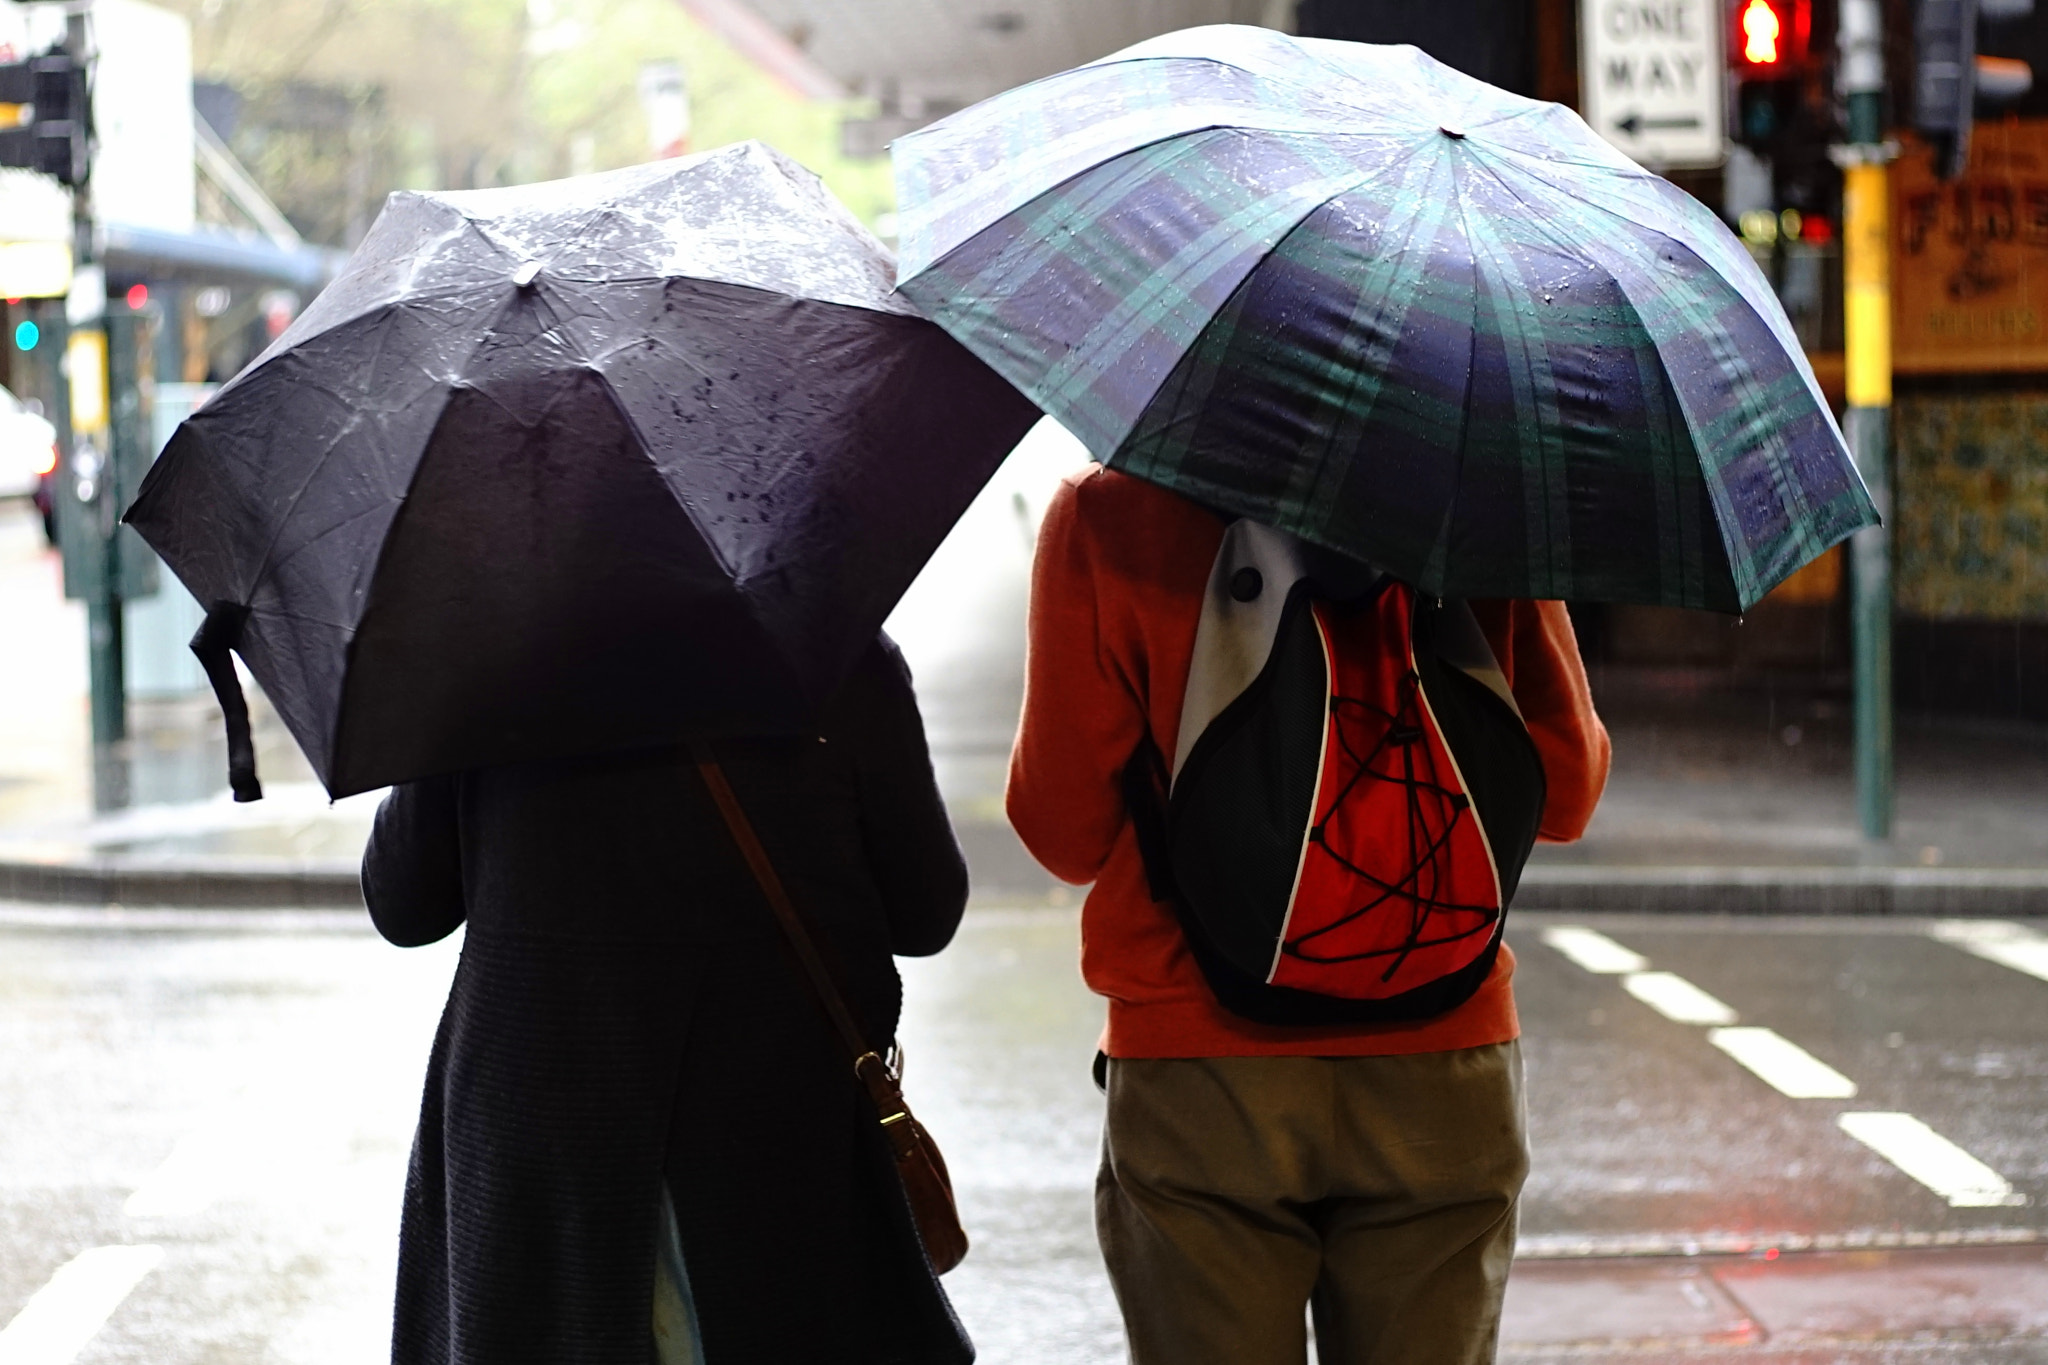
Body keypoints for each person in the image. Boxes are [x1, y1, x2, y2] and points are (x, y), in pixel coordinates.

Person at [1007, 466, 1612, 1365]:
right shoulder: (1485, 497)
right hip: (1443, 1062)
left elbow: (1063, 830)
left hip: (1200, 1069)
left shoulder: (1111, 512)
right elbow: (1564, 794)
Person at [361, 635, 973, 1365]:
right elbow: (927, 913)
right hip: (774, 1129)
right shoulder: (833, 653)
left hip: (538, 1141)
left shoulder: (489, 652)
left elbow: (404, 905)